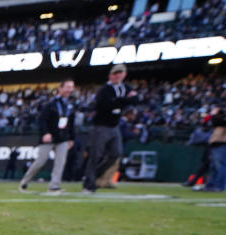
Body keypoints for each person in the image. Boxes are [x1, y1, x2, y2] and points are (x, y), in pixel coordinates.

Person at [82, 64, 140, 194]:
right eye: (115, 73)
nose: (118, 75)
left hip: (114, 126)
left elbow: (136, 100)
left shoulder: (125, 87)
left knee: (116, 154)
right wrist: (125, 100)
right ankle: (88, 184)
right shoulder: (105, 90)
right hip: (101, 126)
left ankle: (94, 175)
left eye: (121, 73)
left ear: (124, 75)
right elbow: (107, 104)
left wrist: (121, 100)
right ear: (110, 75)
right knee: (95, 155)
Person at [20, 79, 76, 195]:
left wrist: (71, 138)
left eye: (71, 87)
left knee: (60, 162)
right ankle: (25, 181)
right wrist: (45, 133)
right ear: (60, 88)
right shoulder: (51, 104)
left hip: (63, 138)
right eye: (67, 87)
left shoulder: (70, 105)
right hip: (49, 138)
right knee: (40, 161)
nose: (69, 89)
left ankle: (54, 186)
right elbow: (42, 120)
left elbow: (71, 123)